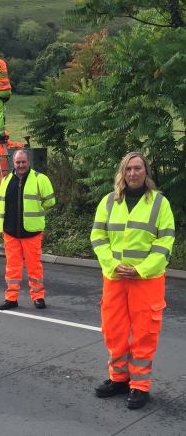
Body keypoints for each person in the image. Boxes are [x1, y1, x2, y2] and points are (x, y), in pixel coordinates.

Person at [91, 152, 175, 409]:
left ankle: (139, 386)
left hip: (146, 280)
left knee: (143, 333)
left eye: (138, 168)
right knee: (113, 329)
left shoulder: (160, 204)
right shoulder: (109, 201)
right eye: (128, 169)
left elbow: (165, 244)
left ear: (145, 172)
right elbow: (98, 237)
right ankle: (119, 378)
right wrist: (112, 265)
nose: (133, 173)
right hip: (115, 277)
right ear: (122, 172)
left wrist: (140, 270)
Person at [0, 149, 55, 311]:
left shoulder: (40, 179)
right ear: (13, 163)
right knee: (12, 268)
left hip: (32, 232)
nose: (21, 165)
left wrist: (37, 215)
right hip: (10, 231)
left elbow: (50, 202)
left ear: (28, 162)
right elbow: (2, 205)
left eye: (23, 162)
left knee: (34, 266)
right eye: (18, 162)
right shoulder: (6, 180)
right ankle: (11, 298)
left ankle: (38, 297)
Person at [0, 131, 26, 199]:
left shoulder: (11, 145)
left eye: (7, 137)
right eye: (5, 137)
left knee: (9, 190)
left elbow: (19, 144)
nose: (6, 139)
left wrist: (24, 145)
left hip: (9, 172)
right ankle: (0, 205)